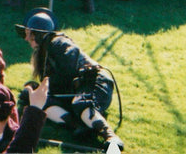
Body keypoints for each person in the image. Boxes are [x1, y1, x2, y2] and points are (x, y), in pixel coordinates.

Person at [16, 8, 124, 151]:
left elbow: (68, 69)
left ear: (39, 34)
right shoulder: (45, 51)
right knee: (38, 99)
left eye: (30, 34)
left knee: (81, 103)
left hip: (94, 82)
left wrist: (48, 87)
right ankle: (77, 126)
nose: (26, 38)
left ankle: (110, 137)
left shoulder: (59, 43)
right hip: (74, 89)